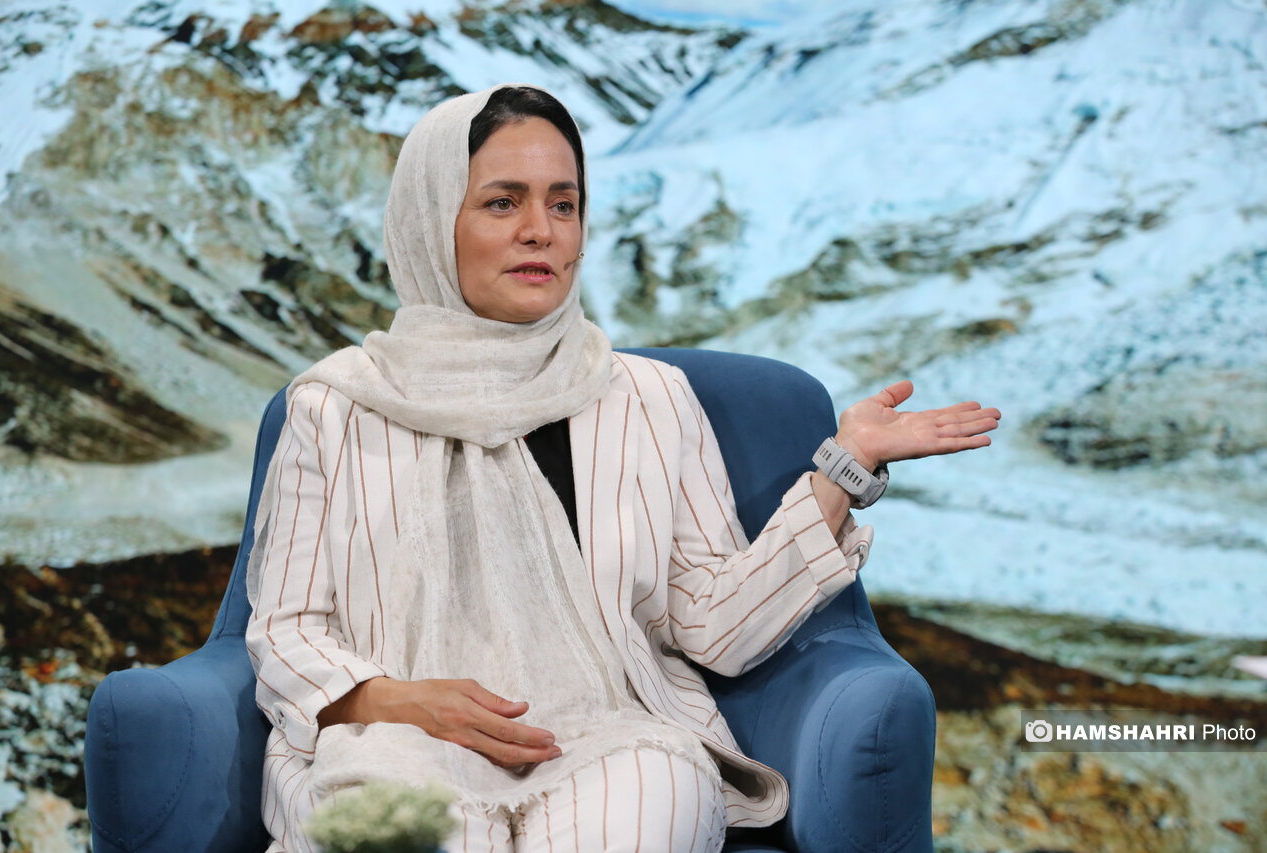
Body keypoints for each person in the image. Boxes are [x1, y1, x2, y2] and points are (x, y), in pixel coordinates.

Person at [245, 83, 1000, 853]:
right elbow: (287, 628)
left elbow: (713, 625)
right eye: (503, 202)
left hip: (610, 745)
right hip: (398, 742)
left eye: (563, 204)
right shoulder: (333, 409)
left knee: (652, 795)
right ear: (431, 221)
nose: (540, 230)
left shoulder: (650, 397)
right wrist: (401, 701)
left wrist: (843, 471)